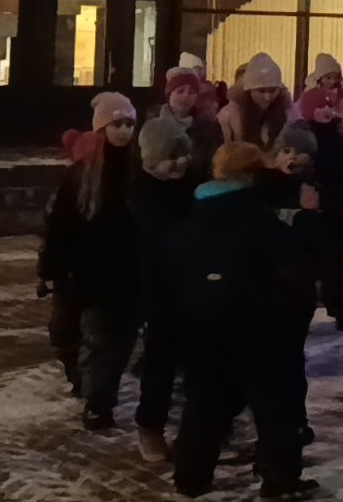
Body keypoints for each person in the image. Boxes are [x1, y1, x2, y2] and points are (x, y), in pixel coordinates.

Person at [153, 141, 317, 499]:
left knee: (203, 403)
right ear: (252, 175)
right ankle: (280, 478)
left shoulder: (190, 222)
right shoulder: (259, 221)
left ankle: (190, 476)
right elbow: (295, 272)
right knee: (275, 407)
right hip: (259, 329)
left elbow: (167, 281)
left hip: (200, 329)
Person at [39, 91, 142, 429]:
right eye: (117, 124)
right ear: (101, 129)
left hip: (122, 274)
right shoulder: (81, 176)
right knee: (65, 334)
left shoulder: (138, 172)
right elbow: (60, 225)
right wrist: (49, 269)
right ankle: (85, 383)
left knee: (106, 342)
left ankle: (100, 402)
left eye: (129, 124)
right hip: (81, 272)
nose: (124, 131)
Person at [131, 67, 206, 461]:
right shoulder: (141, 195)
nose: (176, 165)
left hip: (192, 286)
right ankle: (151, 426)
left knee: (197, 364)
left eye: (181, 157)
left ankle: (198, 431)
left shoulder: (191, 189)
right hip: (159, 290)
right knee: (159, 362)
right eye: (168, 160)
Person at [294, 87, 343, 330]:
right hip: (309, 205)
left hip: (333, 206)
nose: (326, 110)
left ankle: (341, 308)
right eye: (320, 106)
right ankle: (303, 308)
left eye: (329, 106)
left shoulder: (339, 137)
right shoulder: (302, 138)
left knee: (337, 261)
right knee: (306, 262)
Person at [298, 52, 343, 159]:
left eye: (335, 77)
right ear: (320, 78)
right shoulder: (308, 98)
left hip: (339, 153)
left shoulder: (342, 101)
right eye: (328, 77)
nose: (332, 81)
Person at [220, 53, 290, 149]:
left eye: (273, 91)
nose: (267, 97)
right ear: (249, 90)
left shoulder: (286, 111)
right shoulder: (229, 116)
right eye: (261, 91)